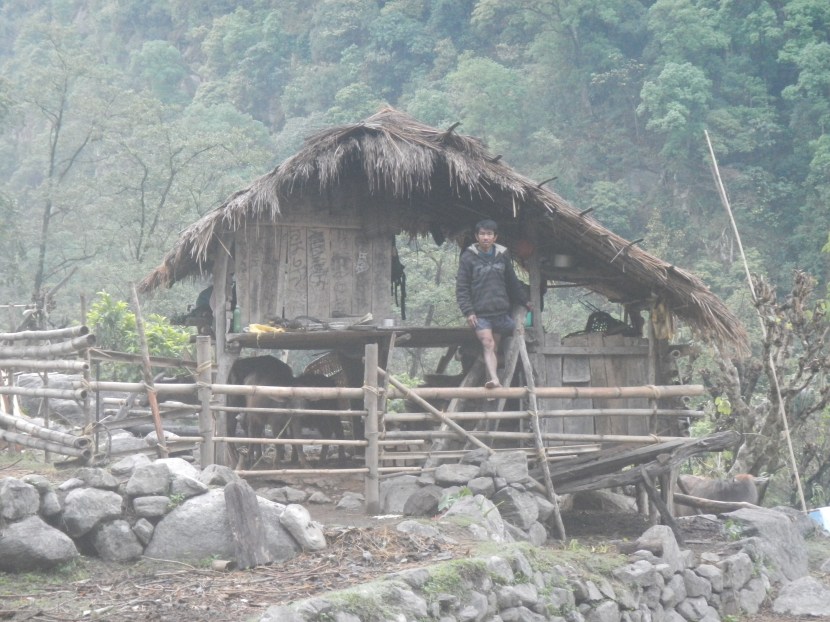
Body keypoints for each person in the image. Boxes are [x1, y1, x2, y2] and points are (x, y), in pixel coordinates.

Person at [456, 219, 532, 390]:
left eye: (489, 234)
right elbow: (462, 287)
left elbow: (512, 282)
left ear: (495, 237)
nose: (485, 237)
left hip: (499, 312)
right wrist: (468, 311)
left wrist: (524, 301)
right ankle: (495, 380)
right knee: (488, 343)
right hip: (480, 314)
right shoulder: (468, 257)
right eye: (482, 234)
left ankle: (490, 379)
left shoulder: (502, 255)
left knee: (494, 346)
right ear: (476, 236)